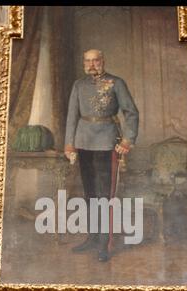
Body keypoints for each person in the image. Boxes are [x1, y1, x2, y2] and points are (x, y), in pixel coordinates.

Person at [65, 49, 139, 262]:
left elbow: (131, 112)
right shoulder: (78, 85)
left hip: (107, 142)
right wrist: (69, 143)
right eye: (87, 61)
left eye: (95, 60)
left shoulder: (117, 83)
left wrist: (128, 139)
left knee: (105, 195)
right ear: (84, 63)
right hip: (83, 142)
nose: (92, 64)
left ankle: (104, 244)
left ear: (103, 61)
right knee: (90, 194)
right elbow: (72, 115)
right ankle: (93, 237)